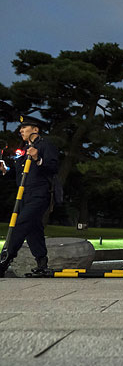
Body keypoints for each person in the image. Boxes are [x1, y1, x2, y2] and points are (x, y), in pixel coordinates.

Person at [0, 115, 59, 277]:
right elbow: (20, 173)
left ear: (35, 129)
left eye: (24, 128)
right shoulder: (24, 149)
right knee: (33, 228)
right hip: (24, 195)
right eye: (21, 129)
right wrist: (6, 170)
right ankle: (42, 262)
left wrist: (37, 158)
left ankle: (3, 261)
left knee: (20, 224)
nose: (21, 131)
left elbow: (53, 167)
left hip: (40, 193)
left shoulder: (45, 146)